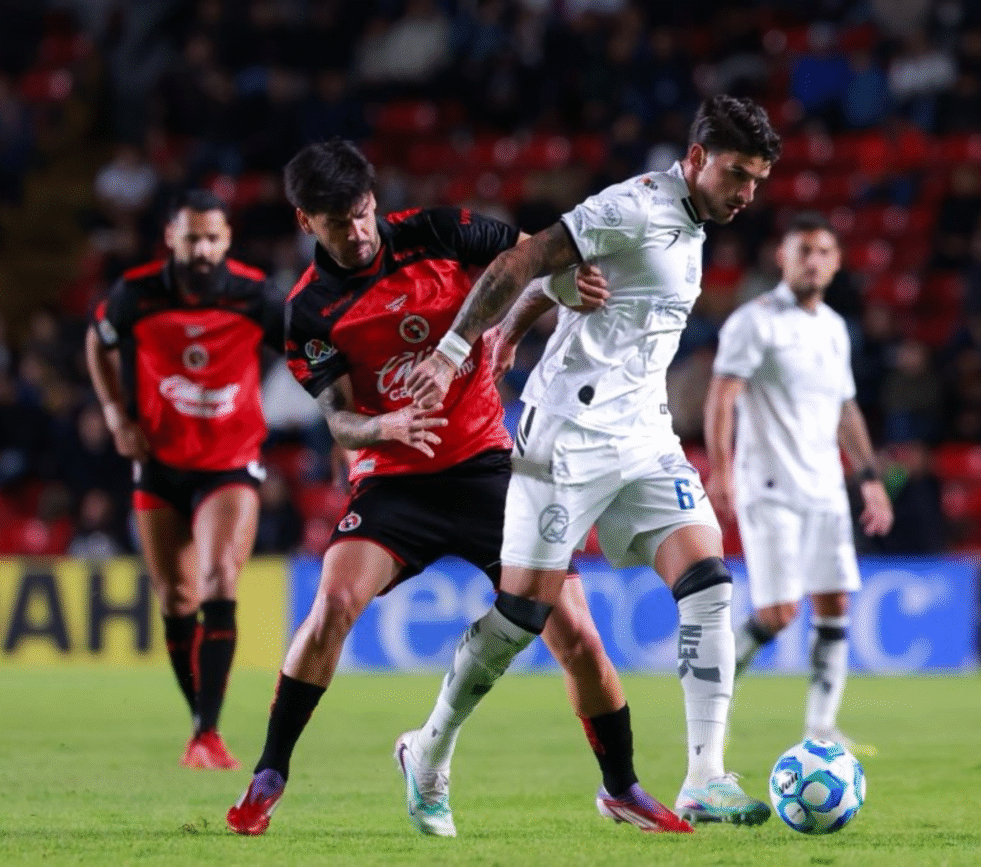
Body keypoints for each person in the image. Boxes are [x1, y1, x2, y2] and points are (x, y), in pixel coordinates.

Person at [227, 141, 689, 837]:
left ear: (373, 199)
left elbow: (539, 254)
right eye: (335, 222)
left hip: (487, 468)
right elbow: (342, 422)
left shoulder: (439, 233)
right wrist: (386, 422)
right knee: (332, 605)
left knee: (579, 635)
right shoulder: (310, 310)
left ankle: (621, 785)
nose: (355, 232)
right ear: (305, 222)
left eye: (359, 214)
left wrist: (550, 295)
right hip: (394, 479)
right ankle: (269, 773)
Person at [403, 94, 782, 827]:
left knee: (707, 578)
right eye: (737, 174)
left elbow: (574, 281)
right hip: (566, 435)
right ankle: (429, 746)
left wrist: (522, 321)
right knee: (520, 616)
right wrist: (461, 345)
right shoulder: (634, 206)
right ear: (697, 159)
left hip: (643, 435)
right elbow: (530, 256)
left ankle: (705, 774)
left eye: (757, 182)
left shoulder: (696, 222)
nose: (746, 194)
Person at [86, 189, 285, 770]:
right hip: (160, 464)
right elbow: (97, 346)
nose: (202, 248)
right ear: (171, 238)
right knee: (176, 595)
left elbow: (305, 352)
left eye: (212, 238)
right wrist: (115, 415)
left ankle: (208, 732)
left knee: (221, 576)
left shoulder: (255, 295)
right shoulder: (136, 295)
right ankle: (199, 721)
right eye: (191, 237)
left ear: (227, 241)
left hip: (229, 460)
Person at [702, 211, 894, 753]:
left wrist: (870, 479)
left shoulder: (834, 328)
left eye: (824, 252)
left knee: (834, 604)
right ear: (782, 258)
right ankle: (711, 688)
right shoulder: (755, 321)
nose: (813, 260)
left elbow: (846, 409)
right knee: (779, 614)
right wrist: (720, 471)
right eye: (803, 250)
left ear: (836, 263)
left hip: (826, 489)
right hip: (770, 487)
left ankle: (821, 728)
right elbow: (723, 397)